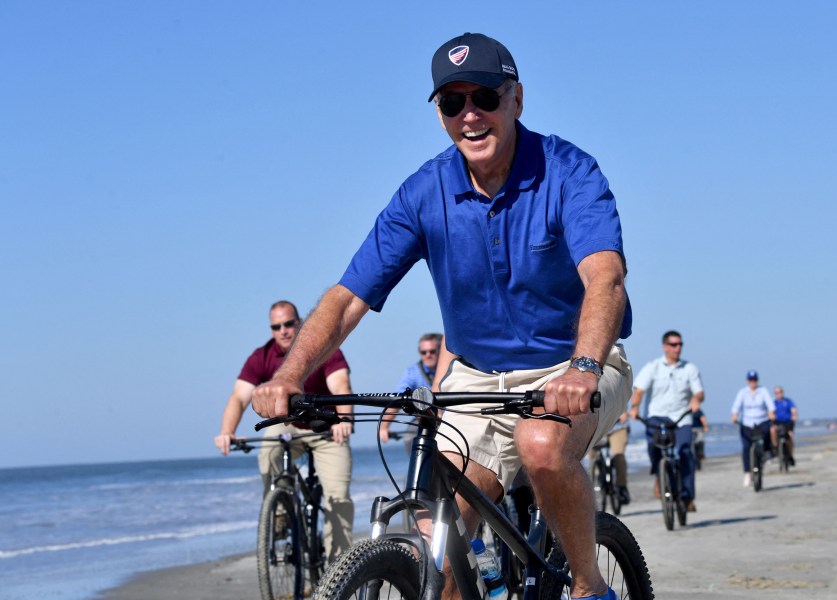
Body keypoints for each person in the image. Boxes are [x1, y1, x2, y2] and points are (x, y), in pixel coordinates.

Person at [252, 32, 634, 600]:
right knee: (441, 538)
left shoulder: (568, 172)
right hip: (476, 379)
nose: (470, 116)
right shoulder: (424, 193)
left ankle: (588, 585)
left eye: (484, 97)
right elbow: (346, 298)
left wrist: (580, 367)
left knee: (540, 446)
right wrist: (288, 374)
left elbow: (605, 278)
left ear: (517, 100)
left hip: (575, 367)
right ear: (439, 114)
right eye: (452, 104)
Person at [214, 300, 355, 562]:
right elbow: (239, 397)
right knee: (269, 452)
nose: (284, 330)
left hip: (327, 426)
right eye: (277, 326)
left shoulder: (322, 347)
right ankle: (279, 512)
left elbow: (341, 384)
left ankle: (339, 568)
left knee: (338, 497)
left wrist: (345, 419)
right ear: (271, 330)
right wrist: (227, 431)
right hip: (287, 423)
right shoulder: (262, 357)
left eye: (289, 323)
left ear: (299, 322)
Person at [628, 330, 704, 512]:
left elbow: (699, 392)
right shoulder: (653, 367)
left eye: (680, 344)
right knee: (653, 448)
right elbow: (639, 391)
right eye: (673, 344)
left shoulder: (689, 368)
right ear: (665, 347)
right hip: (657, 416)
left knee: (686, 453)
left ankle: (687, 497)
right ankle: (659, 475)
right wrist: (635, 407)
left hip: (681, 418)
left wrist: (696, 400)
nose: (677, 348)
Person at [379, 332, 443, 448]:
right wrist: (384, 426)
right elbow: (398, 399)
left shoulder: (452, 369)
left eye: (432, 351)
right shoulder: (412, 373)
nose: (428, 355)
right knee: (409, 439)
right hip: (424, 418)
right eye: (423, 352)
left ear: (440, 352)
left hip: (450, 416)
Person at [730, 370, 775, 488]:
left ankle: (766, 452)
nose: (752, 382)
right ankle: (747, 473)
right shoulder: (742, 392)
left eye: (754, 380)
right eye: (750, 380)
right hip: (747, 423)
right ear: (747, 381)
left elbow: (770, 404)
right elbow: (736, 405)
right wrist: (734, 415)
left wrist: (771, 413)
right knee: (746, 447)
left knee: (768, 432)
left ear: (757, 380)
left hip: (761, 421)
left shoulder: (763, 391)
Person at [588, 413, 631, 505]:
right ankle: (598, 478)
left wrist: (624, 411)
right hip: (595, 427)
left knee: (619, 455)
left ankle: (621, 486)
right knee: (592, 455)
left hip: (617, 426)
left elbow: (624, 398)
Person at [770, 386, 797, 465]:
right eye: (777, 393)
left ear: (782, 392)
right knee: (772, 430)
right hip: (777, 423)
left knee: (790, 437)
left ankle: (790, 455)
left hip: (788, 423)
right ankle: (775, 447)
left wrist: (794, 417)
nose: (779, 394)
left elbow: (794, 411)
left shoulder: (788, 401)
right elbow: (770, 412)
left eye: (780, 392)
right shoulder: (774, 403)